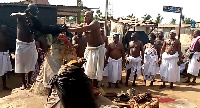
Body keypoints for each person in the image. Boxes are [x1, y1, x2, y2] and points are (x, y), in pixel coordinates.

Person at [11, 4, 68, 89]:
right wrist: (23, 14)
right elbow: (12, 15)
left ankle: (29, 82)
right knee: (21, 64)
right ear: (29, 10)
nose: (35, 13)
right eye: (33, 11)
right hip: (21, 45)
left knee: (31, 63)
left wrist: (58, 28)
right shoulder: (21, 17)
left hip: (30, 44)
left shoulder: (35, 20)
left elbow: (43, 28)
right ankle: (23, 84)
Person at [68, 11, 105, 87]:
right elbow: (78, 27)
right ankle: (89, 85)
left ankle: (94, 86)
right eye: (84, 16)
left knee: (96, 70)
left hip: (98, 49)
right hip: (89, 49)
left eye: (87, 16)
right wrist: (66, 28)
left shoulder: (95, 23)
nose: (85, 17)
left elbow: (86, 28)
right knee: (87, 68)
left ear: (91, 17)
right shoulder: (83, 24)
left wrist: (70, 30)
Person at [0, 25, 12, 90]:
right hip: (0, 55)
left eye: (6, 29)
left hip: (5, 55)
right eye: (4, 29)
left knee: (4, 71)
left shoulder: (6, 36)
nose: (6, 30)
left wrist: (9, 54)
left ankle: (4, 86)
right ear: (1, 29)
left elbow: (7, 46)